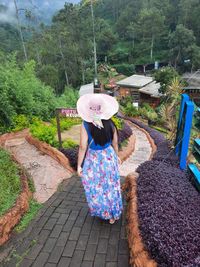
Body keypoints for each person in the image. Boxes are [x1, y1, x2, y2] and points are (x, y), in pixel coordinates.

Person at [77, 93, 123, 224]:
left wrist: (79, 165)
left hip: (94, 160)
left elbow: (82, 146)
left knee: (97, 186)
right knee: (111, 185)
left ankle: (103, 211)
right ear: (103, 108)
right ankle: (113, 215)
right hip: (109, 157)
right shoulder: (110, 124)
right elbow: (115, 143)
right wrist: (117, 156)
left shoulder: (86, 124)